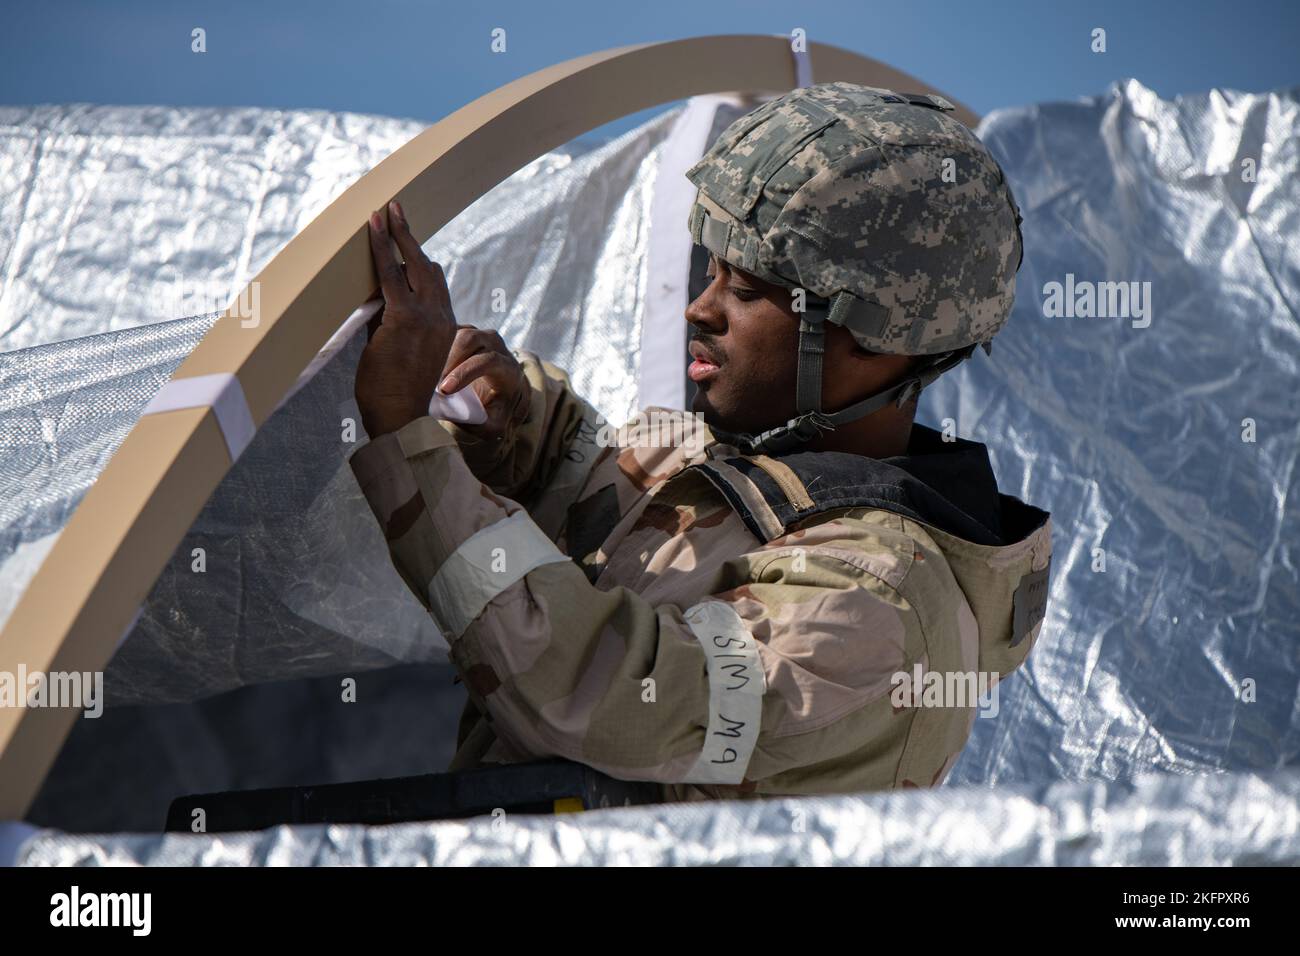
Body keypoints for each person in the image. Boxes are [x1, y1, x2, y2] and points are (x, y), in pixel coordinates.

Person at [350, 82, 1052, 801]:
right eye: (707, 271)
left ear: (877, 340)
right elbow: (587, 472)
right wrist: (507, 417)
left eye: (744, 290)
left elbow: (603, 694)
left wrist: (409, 439)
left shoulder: (874, 603)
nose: (699, 307)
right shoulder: (746, 467)